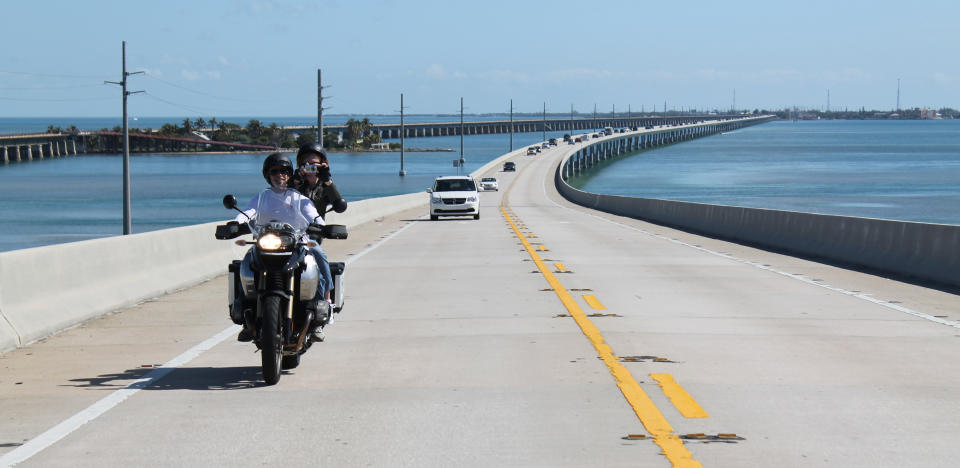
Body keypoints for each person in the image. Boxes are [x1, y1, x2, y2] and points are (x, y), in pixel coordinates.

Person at [235, 153, 330, 342]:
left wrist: (322, 225)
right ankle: (244, 314)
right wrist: (235, 223)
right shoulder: (261, 197)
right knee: (245, 263)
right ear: (267, 174)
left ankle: (322, 305)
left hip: (296, 242)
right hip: (267, 242)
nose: (280, 175)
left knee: (317, 257)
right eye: (275, 171)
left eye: (285, 171)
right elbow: (247, 213)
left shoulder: (298, 197)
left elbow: (312, 213)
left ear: (290, 174)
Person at [292, 144, 347, 334]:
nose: (309, 167)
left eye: (314, 164)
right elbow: (277, 197)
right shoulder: (294, 184)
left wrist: (328, 180)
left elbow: (339, 204)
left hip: (312, 236)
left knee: (317, 255)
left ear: (323, 165)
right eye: (305, 164)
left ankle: (326, 301)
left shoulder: (324, 186)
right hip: (288, 236)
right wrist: (296, 181)